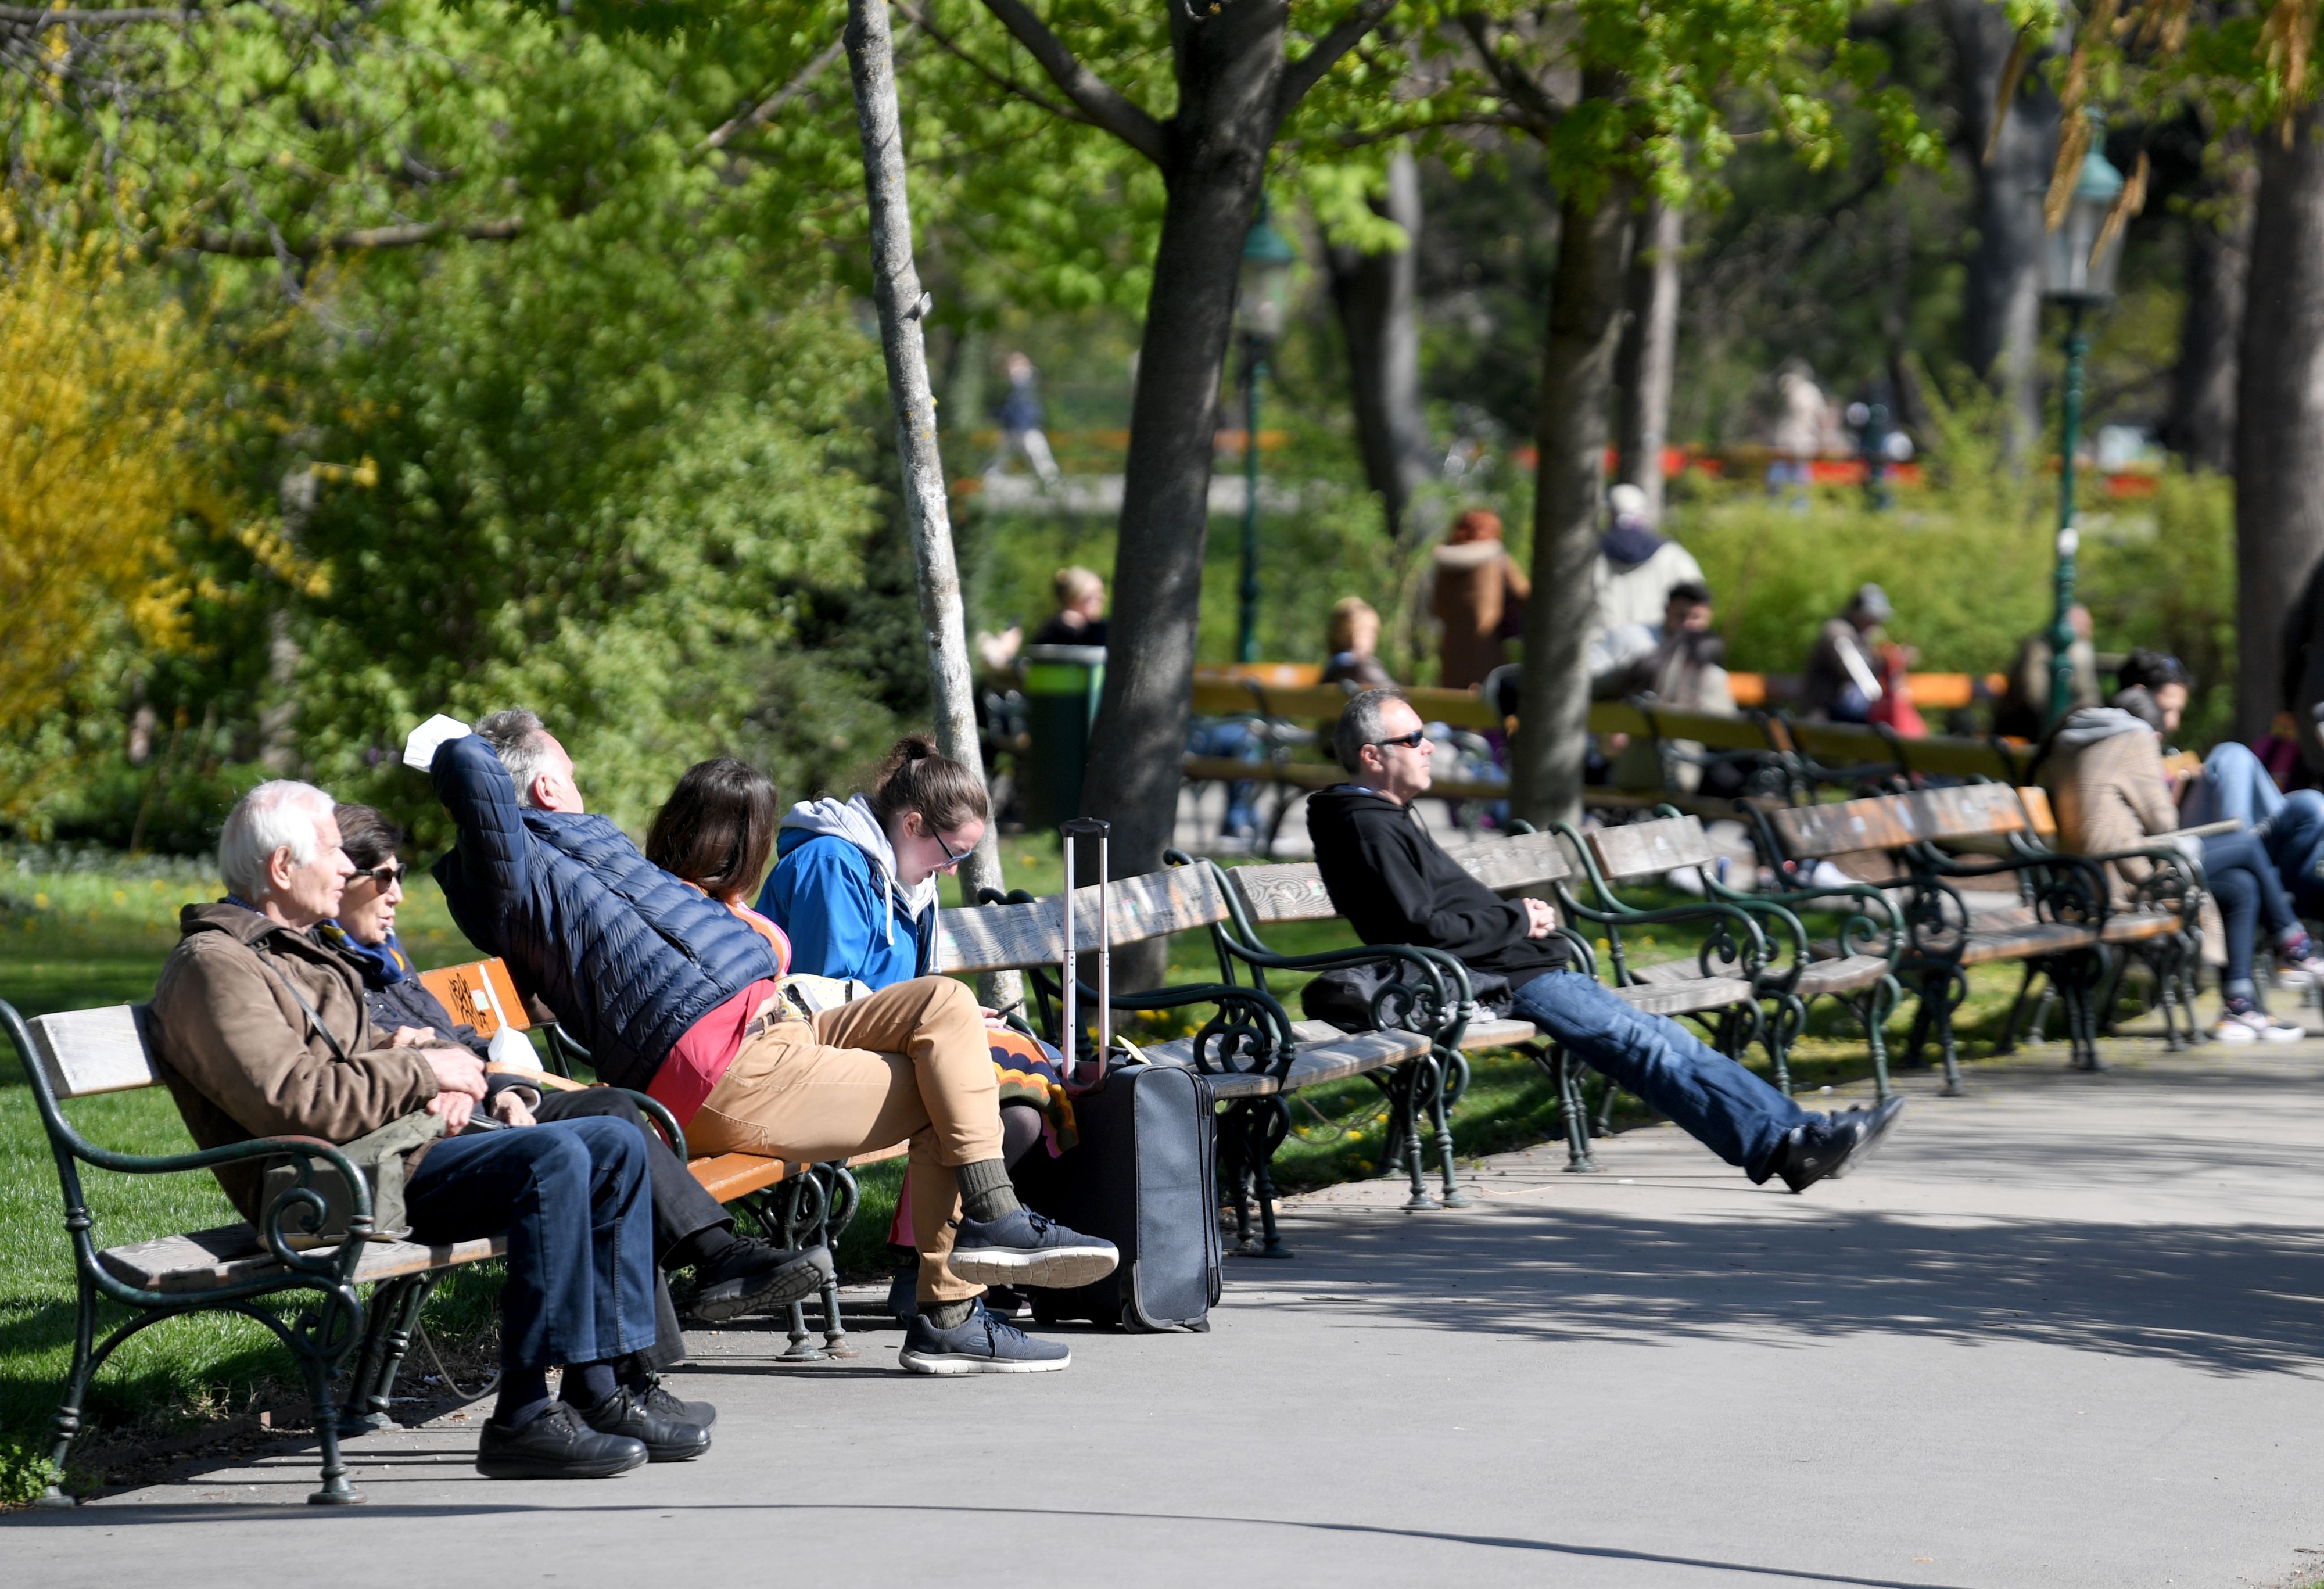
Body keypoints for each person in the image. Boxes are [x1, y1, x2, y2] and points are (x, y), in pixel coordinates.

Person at [408, 708, 1116, 1374]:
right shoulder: (506, 872)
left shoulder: (585, 843)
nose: (579, 784)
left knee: (945, 1003)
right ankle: (950, 1310)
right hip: (716, 1067)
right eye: (568, 773)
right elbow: (475, 775)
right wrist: (456, 743)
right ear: (544, 786)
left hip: (774, 1020)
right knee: (952, 1092)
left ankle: (992, 1217)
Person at [149, 781, 709, 1479]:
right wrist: (420, 1073)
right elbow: (292, 1101)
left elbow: (363, 1054)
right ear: (282, 867)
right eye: (333, 852)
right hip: (323, 1187)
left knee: (612, 1140)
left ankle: (599, 1389)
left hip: (390, 1154)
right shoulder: (215, 966)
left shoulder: (296, 950)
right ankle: (523, 1415)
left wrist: (439, 1070)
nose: (348, 868)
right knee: (556, 1156)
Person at [1308, 688, 1904, 1191]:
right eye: (1413, 738)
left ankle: (1799, 1134)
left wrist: (1516, 923)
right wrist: (1517, 919)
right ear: (1372, 755)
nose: (1430, 746)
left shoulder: (1380, 817)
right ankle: (1785, 1144)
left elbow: (1431, 915)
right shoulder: (1365, 827)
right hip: (1492, 978)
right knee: (1645, 1048)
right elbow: (1419, 926)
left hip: (1508, 966)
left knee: (1663, 1039)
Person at [326, 799, 834, 1339]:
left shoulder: (381, 954)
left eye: (400, 875)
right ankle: (635, 1353)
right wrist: (430, 1071)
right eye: (384, 878)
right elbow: (347, 1075)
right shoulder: (320, 968)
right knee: (599, 1151)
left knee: (612, 1109)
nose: (398, 894)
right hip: (413, 1149)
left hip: (476, 1111)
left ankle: (704, 1275)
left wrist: (507, 1088)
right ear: (336, 878)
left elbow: (458, 1039)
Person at [755, 737, 1076, 1320]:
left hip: (884, 1049)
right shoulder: (831, 864)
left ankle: (966, 1260)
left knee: (1033, 1080)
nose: (952, 869)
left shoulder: (912, 880)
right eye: (953, 853)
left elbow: (905, 992)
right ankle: (931, 1265)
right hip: (807, 1056)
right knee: (990, 1092)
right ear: (911, 824)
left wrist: (953, 1020)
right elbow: (823, 1002)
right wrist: (938, 1019)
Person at [2045, 690, 2323, 1041]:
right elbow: (2164, 823)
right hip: (2130, 879)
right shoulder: (2133, 738)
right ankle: (2294, 945)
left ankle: (2238, 1007)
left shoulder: (2074, 742)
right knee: (2245, 843)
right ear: (2155, 732)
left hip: (2088, 879)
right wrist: (2174, 790)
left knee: (2241, 884)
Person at [1589, 581, 1740, 795]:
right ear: (1667, 611)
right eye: (1681, 616)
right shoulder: (1637, 642)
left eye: (1695, 618)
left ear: (1709, 617)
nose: (1687, 625)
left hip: (1660, 764)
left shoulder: (1703, 654)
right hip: (1645, 761)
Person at [1588, 484, 1706, 659]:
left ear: (1609, 513)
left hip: (1603, 652)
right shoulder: (1673, 555)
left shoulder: (1589, 557)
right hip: (1656, 652)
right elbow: (1698, 605)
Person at [1429, 508, 1529, 690]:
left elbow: (1436, 608)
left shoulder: (1445, 568)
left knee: (1457, 703)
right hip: (1487, 652)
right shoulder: (1497, 560)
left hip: (1452, 658)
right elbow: (1525, 596)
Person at [1993, 605, 2100, 740]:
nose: (2088, 631)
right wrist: (2066, 720)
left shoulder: (2082, 648)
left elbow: (2089, 693)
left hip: (2067, 721)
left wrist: (2090, 716)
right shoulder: (2038, 647)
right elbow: (2033, 694)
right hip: (2025, 725)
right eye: (2083, 624)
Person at [1801, 583, 1892, 723]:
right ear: (1855, 611)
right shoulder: (1838, 632)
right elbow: (1860, 674)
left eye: (1878, 619)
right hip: (1824, 717)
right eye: (1870, 617)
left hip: (1844, 716)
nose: (1874, 623)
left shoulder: (1861, 635)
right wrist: (1883, 662)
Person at [985, 351, 1061, 488]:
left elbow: (1023, 408)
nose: (1010, 369)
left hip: (1027, 428)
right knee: (1001, 459)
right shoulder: (1019, 385)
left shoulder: (1025, 383)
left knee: (1040, 458)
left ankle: (1053, 487)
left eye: (1013, 365)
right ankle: (990, 483)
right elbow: (1011, 407)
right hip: (1015, 428)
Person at [1322, 597, 1396, 690]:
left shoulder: (1331, 673)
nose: (1374, 638)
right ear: (1356, 635)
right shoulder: (1365, 668)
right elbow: (1395, 695)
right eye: (1371, 631)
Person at [1030, 565, 1107, 648]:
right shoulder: (1056, 630)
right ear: (1074, 598)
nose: (1103, 599)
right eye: (1094, 596)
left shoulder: (1098, 628)